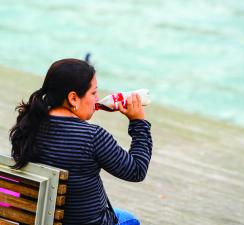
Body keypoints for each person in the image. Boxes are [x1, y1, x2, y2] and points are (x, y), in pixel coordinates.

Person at [9, 58, 152, 225]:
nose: (97, 98)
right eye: (93, 93)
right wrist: (138, 123)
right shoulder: (93, 137)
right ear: (73, 98)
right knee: (130, 220)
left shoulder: (27, 126)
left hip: (33, 220)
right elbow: (137, 171)